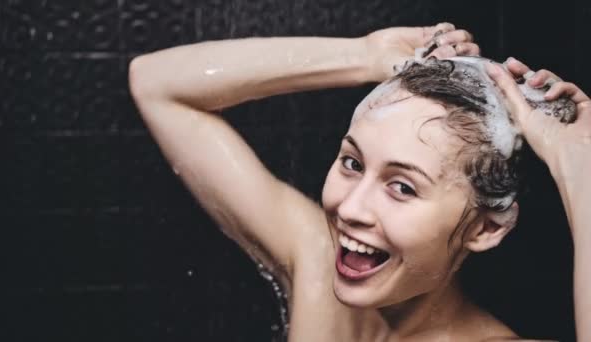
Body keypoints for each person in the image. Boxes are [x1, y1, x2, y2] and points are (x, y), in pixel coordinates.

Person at [128, 23, 591, 341]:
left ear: (485, 228)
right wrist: (365, 56)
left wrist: (580, 165)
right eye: (352, 163)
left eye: (402, 187)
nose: (350, 208)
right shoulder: (318, 264)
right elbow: (156, 84)